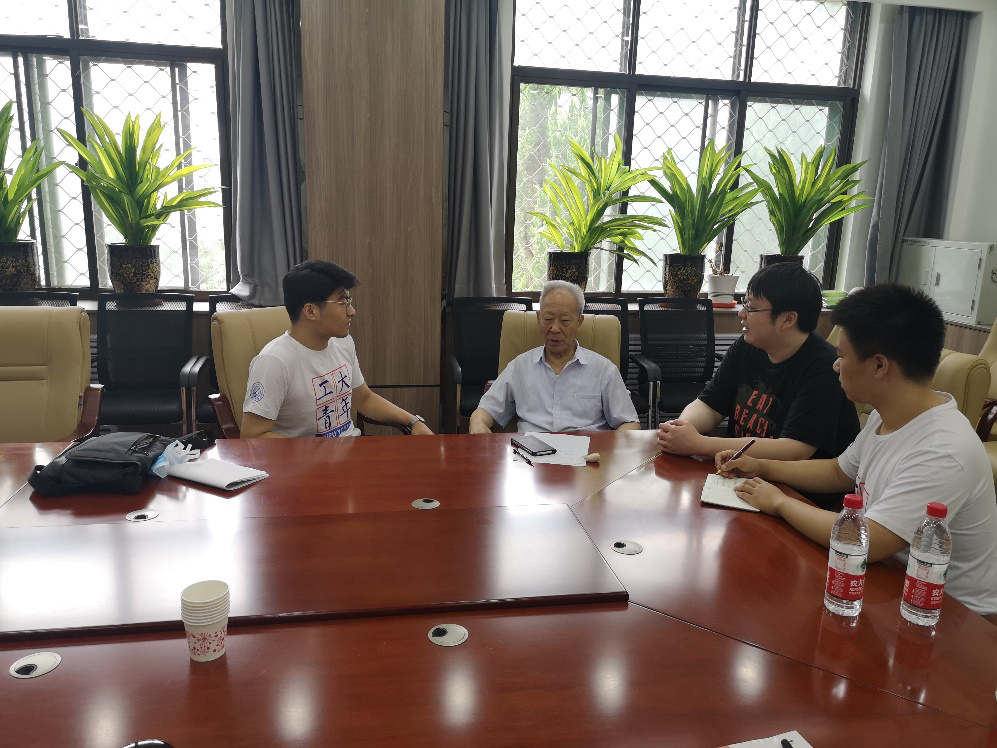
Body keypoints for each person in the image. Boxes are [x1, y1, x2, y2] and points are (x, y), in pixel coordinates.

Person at [717, 284, 997, 622]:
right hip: (885, 582)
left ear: (879, 366)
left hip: (948, 616)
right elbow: (838, 471)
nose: (836, 366)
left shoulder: (942, 450)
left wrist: (779, 502)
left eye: (843, 356)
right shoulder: (888, 413)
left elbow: (870, 540)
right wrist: (761, 466)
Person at [656, 263, 860, 467]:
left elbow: (794, 450)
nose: (742, 314)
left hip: (792, 483)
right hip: (741, 472)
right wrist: (681, 429)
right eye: (744, 304)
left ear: (788, 319)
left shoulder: (824, 368)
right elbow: (710, 405)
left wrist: (699, 444)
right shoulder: (747, 346)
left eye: (752, 308)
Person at [241, 260, 434, 438]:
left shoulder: (343, 342)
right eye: (343, 302)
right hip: (307, 462)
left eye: (349, 301)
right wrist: (315, 455)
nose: (352, 311)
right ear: (310, 311)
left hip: (351, 452)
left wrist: (413, 421)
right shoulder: (274, 361)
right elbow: (253, 436)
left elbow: (364, 399)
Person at [469, 280, 640, 434]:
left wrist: (611, 449)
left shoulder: (604, 370)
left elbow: (630, 423)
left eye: (564, 321)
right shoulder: (520, 366)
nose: (555, 328)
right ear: (538, 318)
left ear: (579, 322)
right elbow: (486, 410)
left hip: (588, 454)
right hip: (531, 453)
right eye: (548, 319)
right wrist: (478, 424)